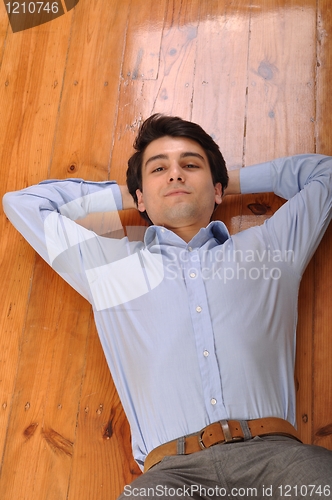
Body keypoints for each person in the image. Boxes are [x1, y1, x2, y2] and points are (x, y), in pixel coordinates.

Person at [3, 114, 332, 499]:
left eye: (190, 165)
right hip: (171, 478)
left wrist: (223, 180)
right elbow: (24, 204)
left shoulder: (270, 248)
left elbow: (325, 175)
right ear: (140, 199)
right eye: (159, 169)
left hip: (278, 461)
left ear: (218, 190)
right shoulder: (109, 267)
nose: (175, 175)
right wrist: (129, 192)